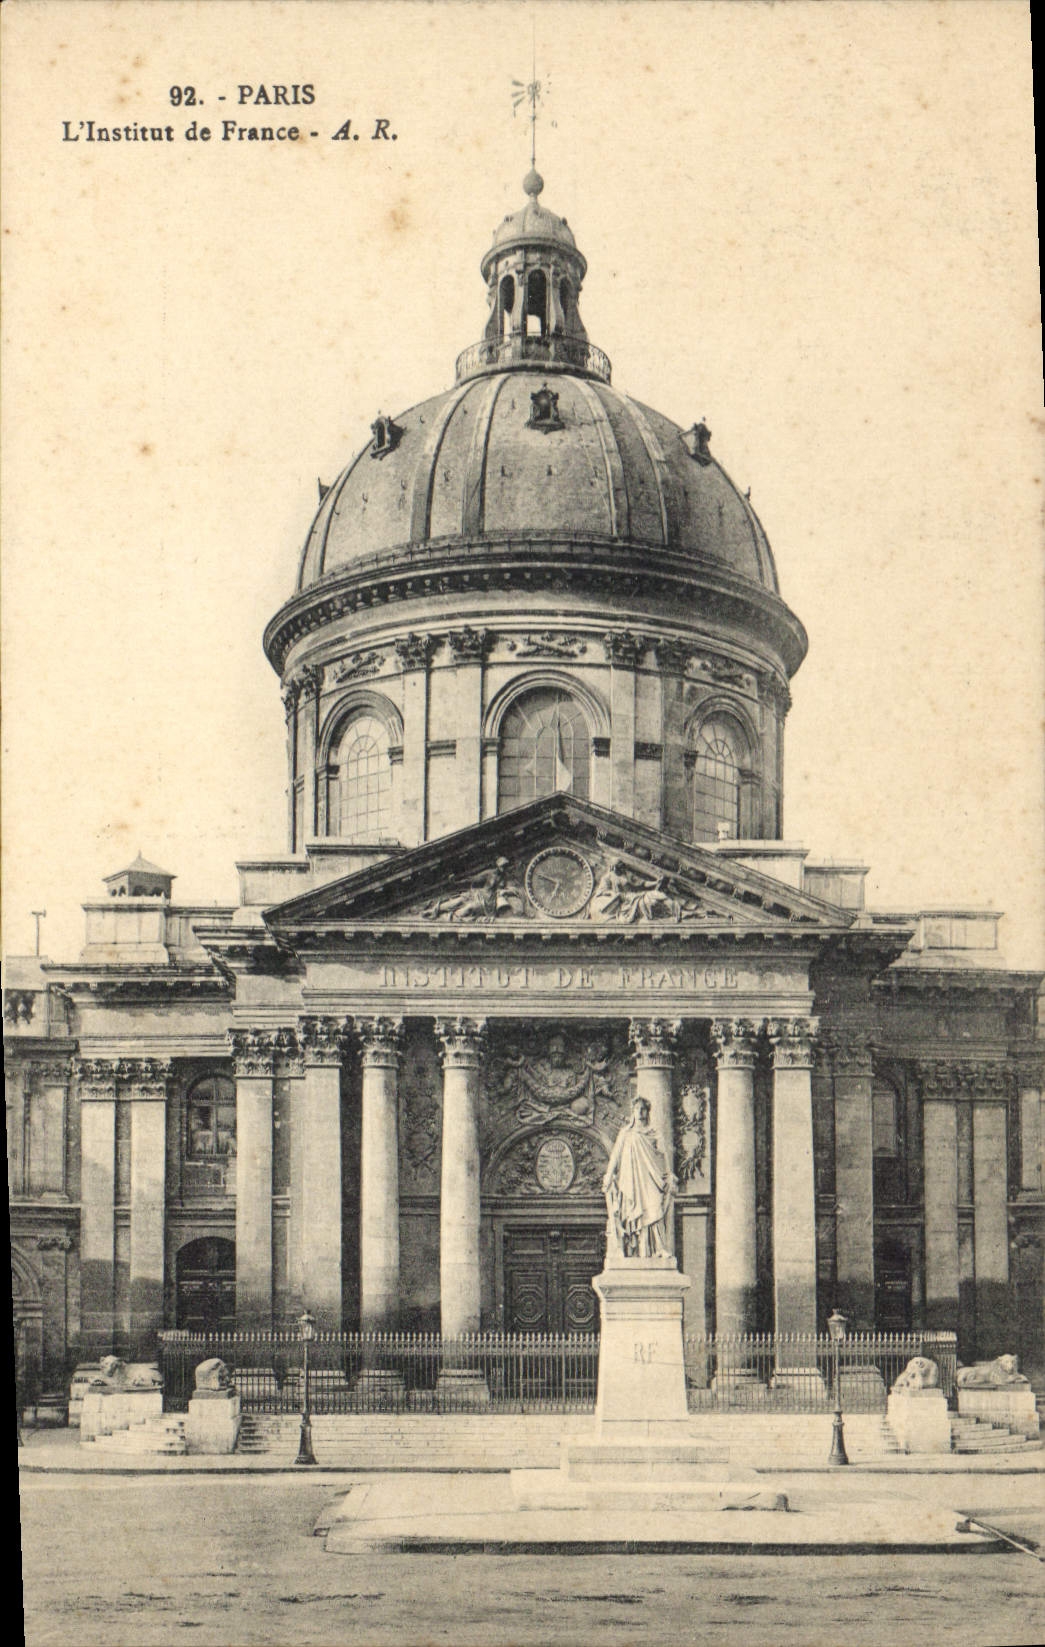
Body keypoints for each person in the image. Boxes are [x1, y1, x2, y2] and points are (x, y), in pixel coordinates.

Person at [602, 1095, 677, 1257]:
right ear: (633, 1112)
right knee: (634, 1212)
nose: (641, 1112)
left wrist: (669, 1175)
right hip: (631, 1179)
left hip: (652, 1177)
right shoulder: (626, 1133)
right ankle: (637, 1251)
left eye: (643, 1109)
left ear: (647, 1112)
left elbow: (663, 1156)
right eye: (637, 1109)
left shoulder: (654, 1133)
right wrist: (609, 1173)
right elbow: (615, 1155)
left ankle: (659, 1248)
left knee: (655, 1208)